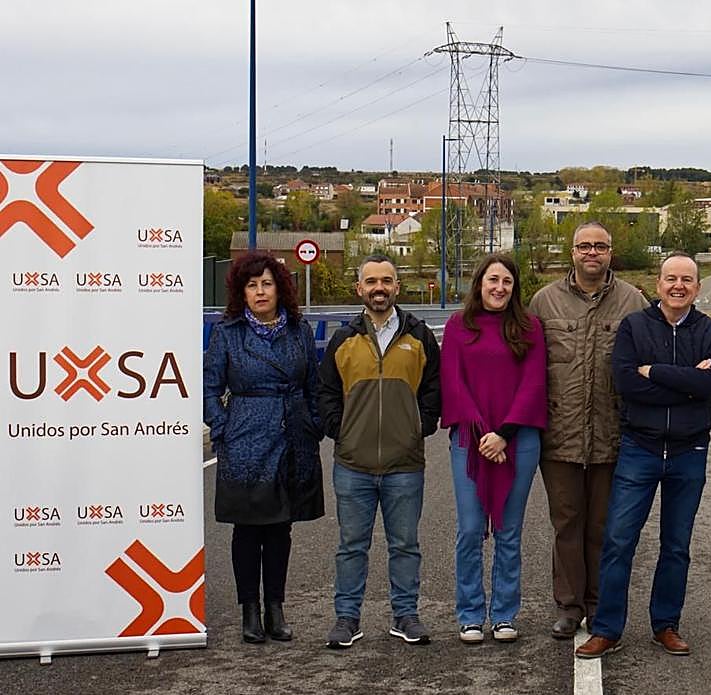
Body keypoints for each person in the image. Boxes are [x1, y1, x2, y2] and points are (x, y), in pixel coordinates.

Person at [576, 253, 711, 659]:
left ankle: (665, 624)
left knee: (676, 545)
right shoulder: (634, 327)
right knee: (619, 540)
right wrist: (686, 381)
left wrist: (655, 371)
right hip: (639, 447)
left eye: (687, 280)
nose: (678, 286)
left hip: (688, 451)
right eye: (671, 278)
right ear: (658, 284)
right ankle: (607, 628)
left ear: (697, 287)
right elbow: (626, 383)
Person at [527, 221, 647, 639]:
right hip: (559, 436)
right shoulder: (544, 302)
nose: (592, 252)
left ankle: (601, 604)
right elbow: (528, 368)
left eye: (600, 246)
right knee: (566, 525)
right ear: (572, 251)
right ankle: (568, 606)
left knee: (604, 528)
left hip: (613, 437)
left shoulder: (633, 302)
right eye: (584, 246)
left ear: (611, 252)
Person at [317, 254, 441, 649]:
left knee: (405, 544)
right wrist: (342, 431)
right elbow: (325, 393)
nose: (379, 288)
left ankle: (406, 615)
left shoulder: (419, 336)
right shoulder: (343, 339)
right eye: (371, 281)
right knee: (351, 546)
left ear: (397, 287)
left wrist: (418, 427)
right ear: (359, 289)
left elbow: (434, 390)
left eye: (386, 280)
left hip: (405, 463)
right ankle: (347, 618)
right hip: (353, 462)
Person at [203, 251, 324, 644]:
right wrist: (224, 431)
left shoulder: (299, 331)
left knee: (280, 528)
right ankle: (249, 610)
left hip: (291, 437)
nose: (260, 291)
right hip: (245, 438)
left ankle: (276, 607)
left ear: (280, 287)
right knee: (247, 528)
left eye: (267, 283)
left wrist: (314, 425)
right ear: (242, 291)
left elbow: (314, 386)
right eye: (252, 285)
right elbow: (209, 389)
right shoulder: (228, 332)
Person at [441, 254, 547, 644]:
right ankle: (469, 614)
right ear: (479, 284)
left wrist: (503, 433)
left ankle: (503, 614)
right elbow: (452, 381)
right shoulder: (457, 326)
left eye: (506, 282)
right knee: (470, 530)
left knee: (508, 529)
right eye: (492, 280)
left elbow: (534, 384)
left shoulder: (529, 327)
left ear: (514, 287)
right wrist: (485, 435)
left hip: (518, 441)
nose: (499, 288)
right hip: (470, 440)